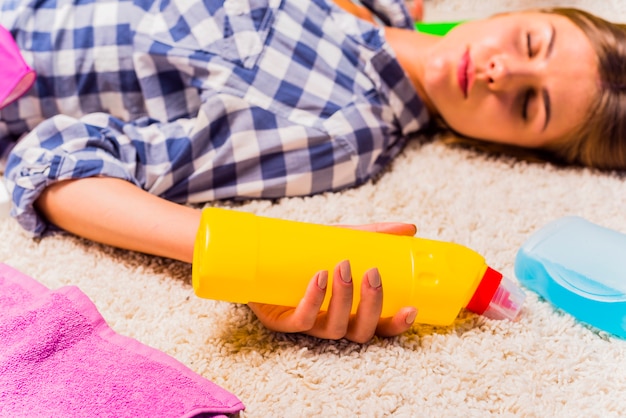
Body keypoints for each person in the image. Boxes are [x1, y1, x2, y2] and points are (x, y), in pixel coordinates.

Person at [0, 0, 624, 342]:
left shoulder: (340, 130)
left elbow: (56, 159)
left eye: (528, 105)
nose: (502, 72)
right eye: (533, 43)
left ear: (519, 153)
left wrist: (255, 255)